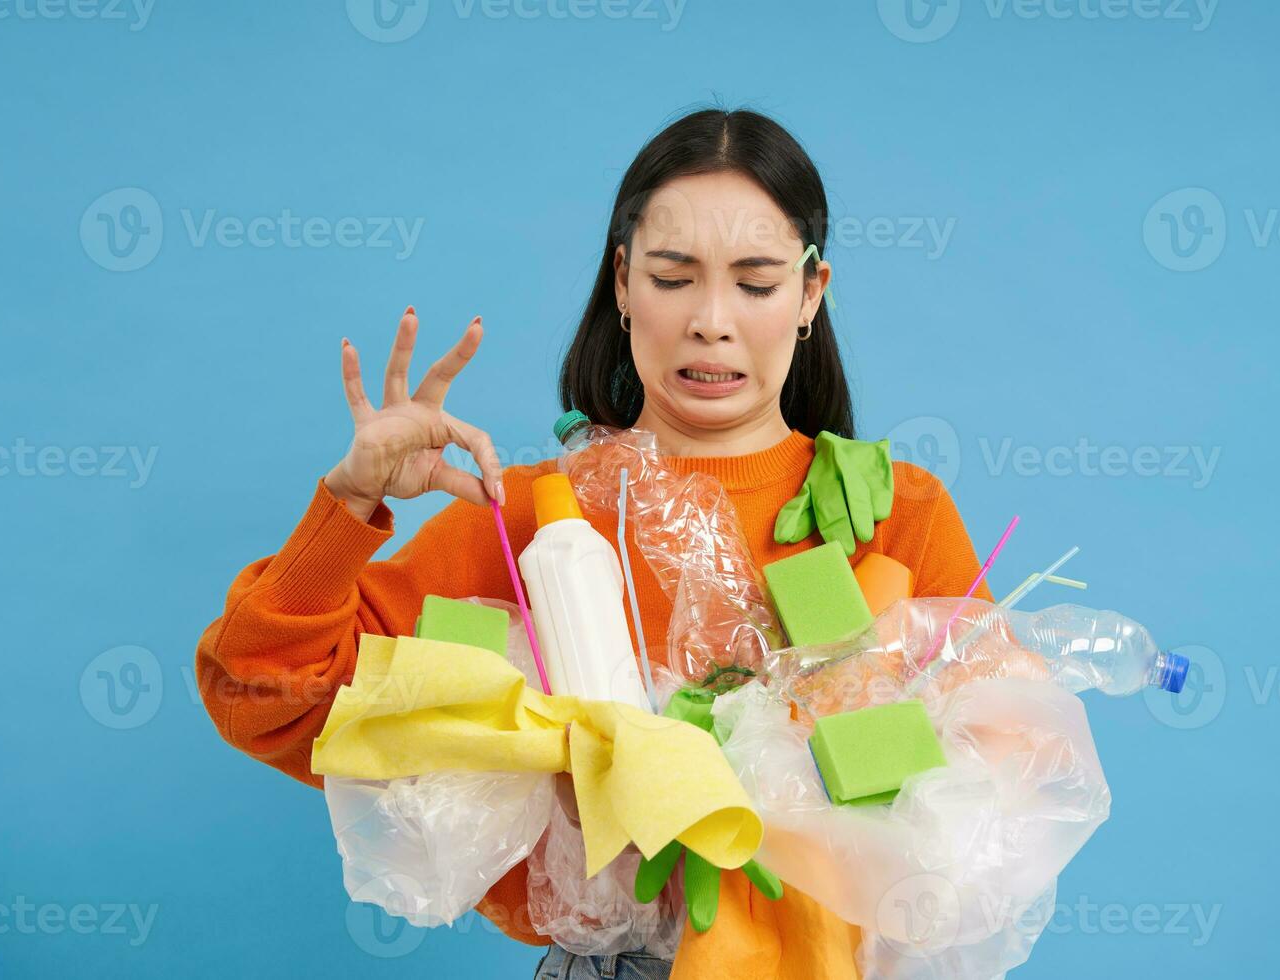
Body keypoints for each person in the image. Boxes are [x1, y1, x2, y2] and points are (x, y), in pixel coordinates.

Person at [195, 105, 991, 980]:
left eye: (756, 284)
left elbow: (996, 778)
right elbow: (258, 694)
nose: (712, 321)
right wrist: (350, 504)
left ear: (810, 293)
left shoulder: (890, 517)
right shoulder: (536, 518)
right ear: (621, 282)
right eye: (673, 276)